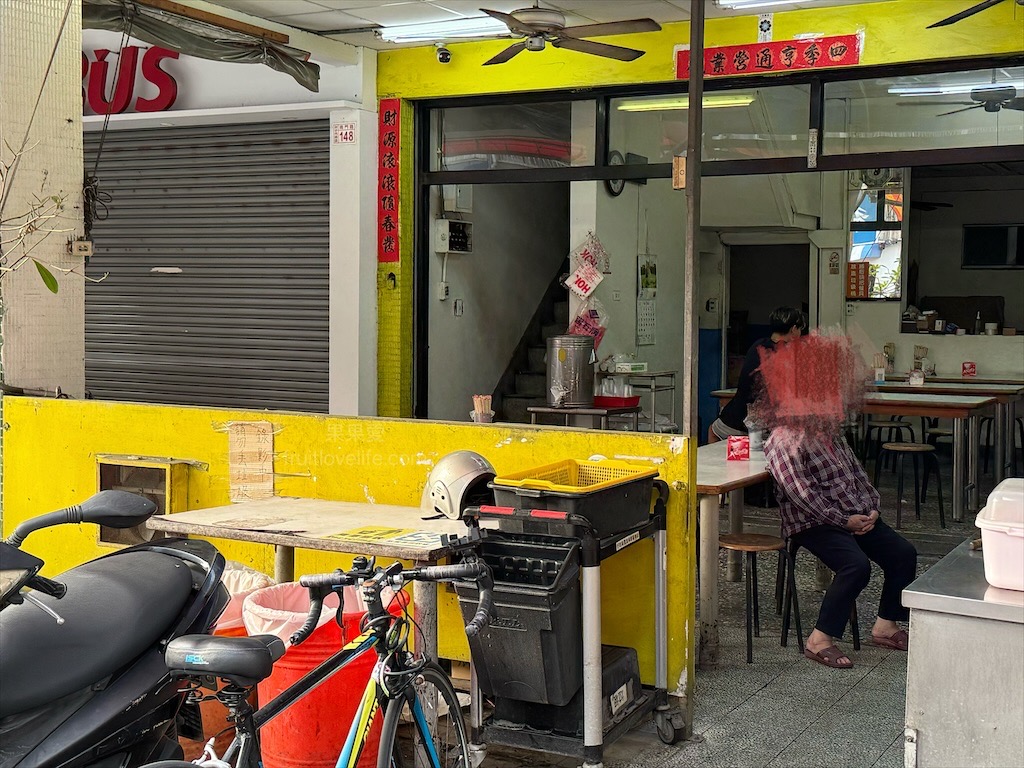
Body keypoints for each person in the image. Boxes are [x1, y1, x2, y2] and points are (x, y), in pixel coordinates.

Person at [765, 423, 917, 669]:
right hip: (812, 522)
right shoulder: (784, 438)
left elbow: (859, 476)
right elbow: (801, 494)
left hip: (854, 515)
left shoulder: (830, 431)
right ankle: (819, 639)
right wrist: (843, 521)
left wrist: (872, 509)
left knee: (903, 554)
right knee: (855, 566)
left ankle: (886, 626)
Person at [708, 306, 806, 443]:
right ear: (794, 329)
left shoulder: (758, 345)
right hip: (762, 426)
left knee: (713, 431)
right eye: (800, 329)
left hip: (738, 417)